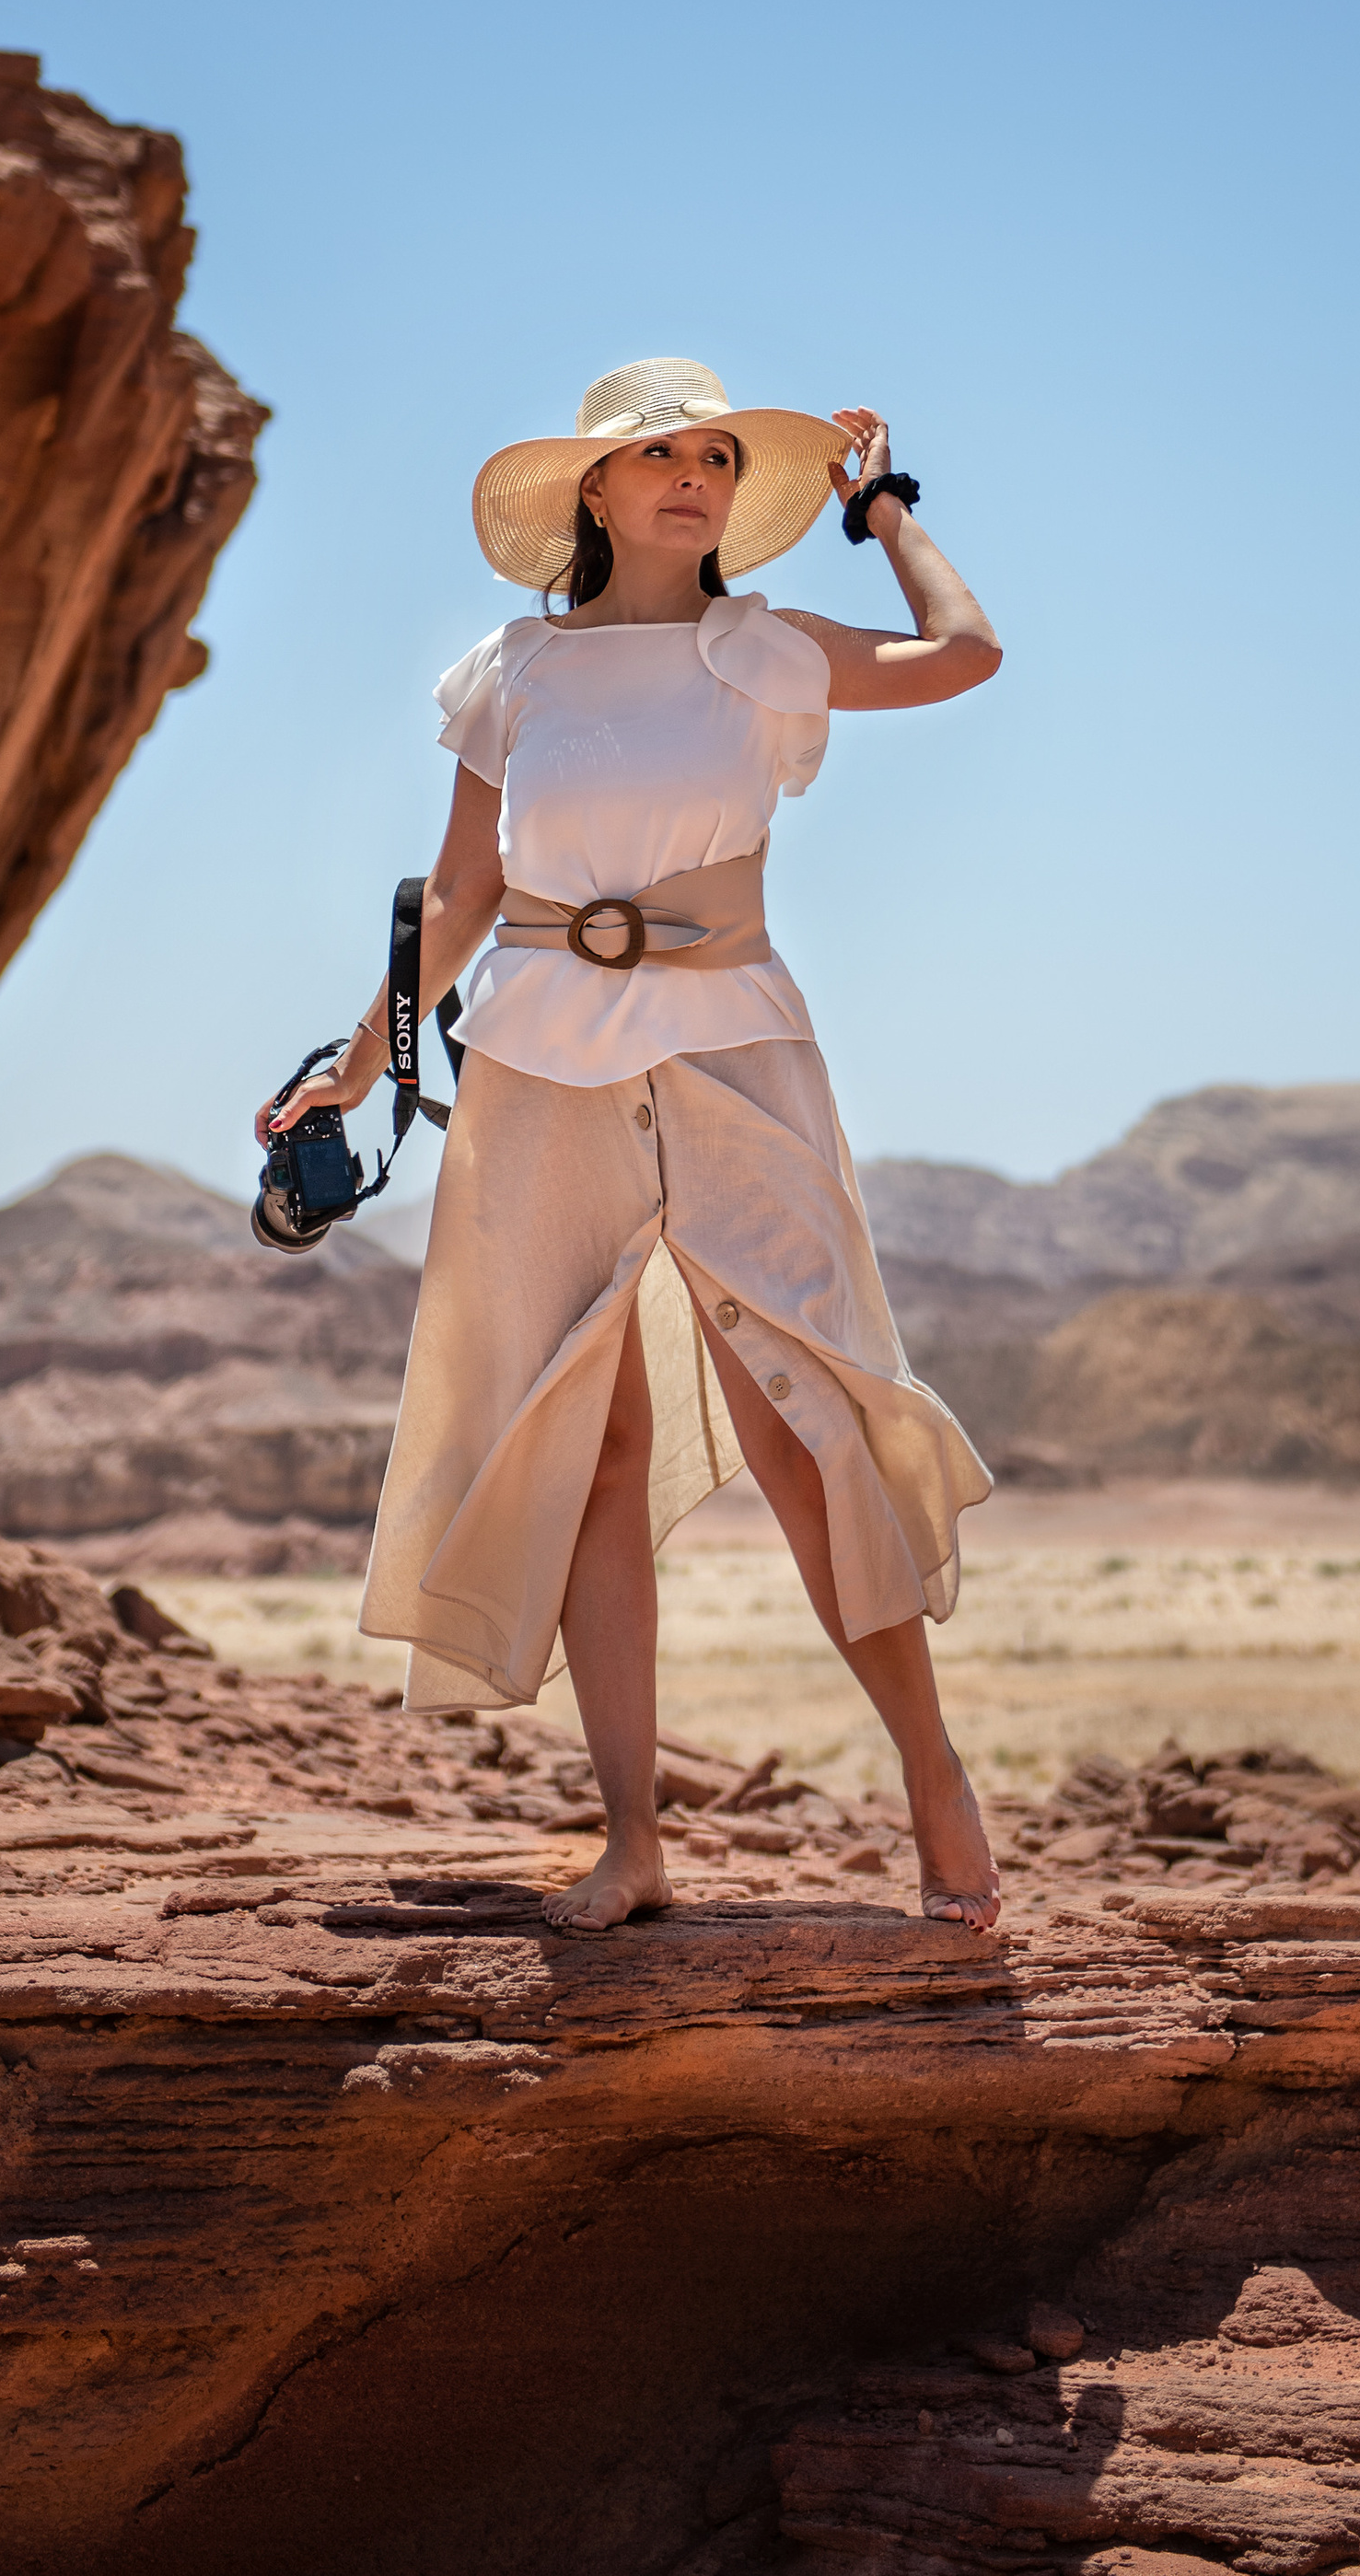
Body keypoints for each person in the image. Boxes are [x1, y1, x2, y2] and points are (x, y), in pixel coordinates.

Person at [258, 356, 1005, 1933]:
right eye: (657, 454)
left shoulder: (768, 649)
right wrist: (352, 1067)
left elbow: (967, 652)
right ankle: (632, 1844)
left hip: (736, 1047)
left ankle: (933, 1779)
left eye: (719, 457)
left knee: (809, 1423)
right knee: (579, 1443)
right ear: (592, 492)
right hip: (538, 1062)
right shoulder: (510, 671)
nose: (693, 476)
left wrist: (881, 513)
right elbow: (459, 897)